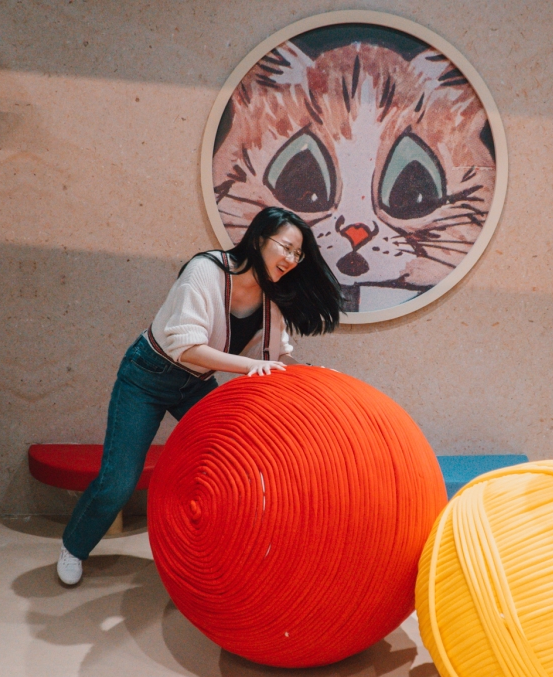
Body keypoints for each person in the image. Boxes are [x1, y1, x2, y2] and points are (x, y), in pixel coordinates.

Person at [56, 207, 343, 586]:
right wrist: (245, 368)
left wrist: (312, 375)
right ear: (259, 240)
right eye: (286, 248)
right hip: (147, 376)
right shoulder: (206, 271)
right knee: (119, 482)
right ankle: (73, 548)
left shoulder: (270, 299)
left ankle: (230, 551)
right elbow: (185, 347)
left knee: (241, 462)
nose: (290, 260)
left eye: (297, 254)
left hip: (194, 382)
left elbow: (274, 358)